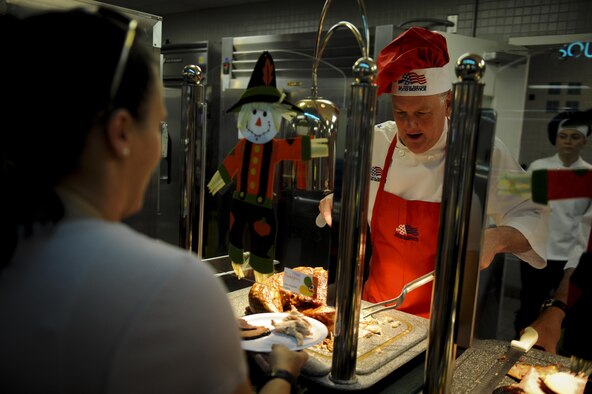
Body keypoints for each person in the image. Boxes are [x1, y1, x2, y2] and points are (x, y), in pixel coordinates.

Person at [0, 9, 307, 394]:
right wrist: (284, 372)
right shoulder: (173, 285)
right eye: (158, 124)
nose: (160, 146)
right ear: (122, 133)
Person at [318, 26, 548, 318]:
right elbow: (347, 197)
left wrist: (496, 238)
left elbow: (537, 214)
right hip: (374, 311)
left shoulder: (483, 151)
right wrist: (335, 203)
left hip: (442, 324)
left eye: (422, 114)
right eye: (401, 114)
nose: (410, 126)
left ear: (448, 103)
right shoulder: (376, 142)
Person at [514, 110, 592, 336]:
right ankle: (518, 349)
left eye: (575, 136)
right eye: (563, 136)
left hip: (570, 258)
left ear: (584, 141)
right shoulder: (538, 167)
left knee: (565, 310)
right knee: (528, 305)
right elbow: (519, 206)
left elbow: (587, 227)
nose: (568, 141)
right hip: (536, 252)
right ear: (556, 139)